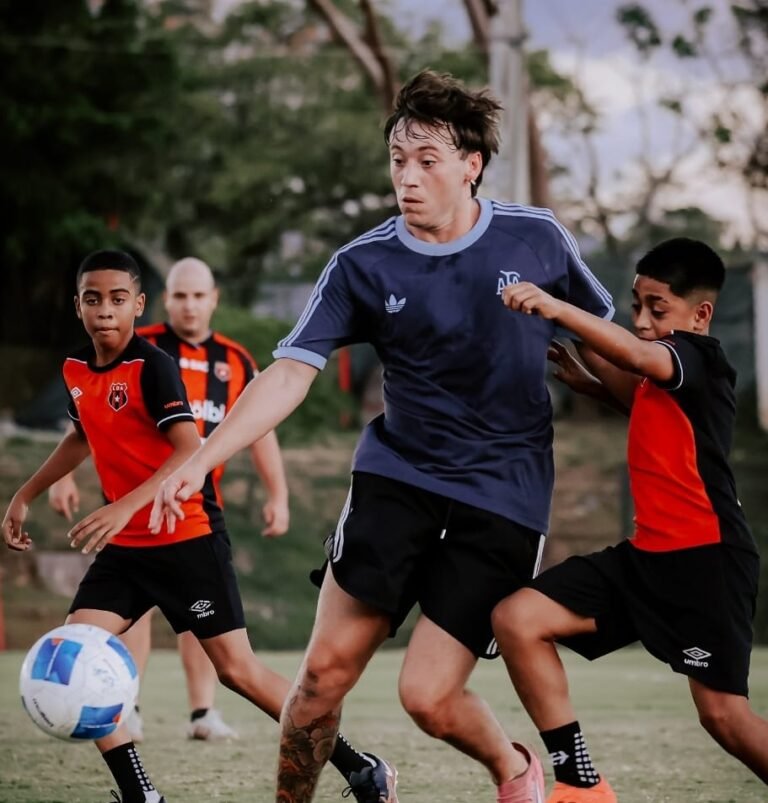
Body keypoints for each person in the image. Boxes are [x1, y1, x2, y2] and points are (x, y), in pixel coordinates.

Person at [150, 70, 614, 803]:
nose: (408, 175)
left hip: (504, 494)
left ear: (472, 165)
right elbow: (289, 375)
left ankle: (512, 767)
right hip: (399, 480)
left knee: (426, 697)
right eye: (398, 158)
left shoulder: (538, 237)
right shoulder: (362, 263)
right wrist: (200, 459)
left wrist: (644, 391)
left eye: (428, 159)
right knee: (319, 681)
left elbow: (611, 339)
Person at [2, 250, 397, 803]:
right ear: (78, 306)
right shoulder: (74, 370)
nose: (105, 311)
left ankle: (360, 766)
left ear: (138, 305)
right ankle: (141, 793)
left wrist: (122, 507)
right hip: (126, 551)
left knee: (238, 672)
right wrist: (27, 493)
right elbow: (81, 435)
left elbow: (188, 450)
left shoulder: (153, 364)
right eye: (93, 299)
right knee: (76, 652)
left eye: (118, 300)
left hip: (187, 539)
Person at [494, 237, 768, 802]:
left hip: (706, 565)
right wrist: (585, 375)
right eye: (636, 305)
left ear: (701, 314)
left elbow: (635, 356)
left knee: (725, 720)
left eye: (657, 309)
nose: (642, 320)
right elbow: (640, 392)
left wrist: (557, 306)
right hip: (646, 560)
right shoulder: (666, 374)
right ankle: (580, 785)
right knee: (518, 619)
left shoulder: (700, 358)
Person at [48, 256, 290, 743]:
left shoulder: (237, 361)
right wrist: (59, 478)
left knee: (208, 637)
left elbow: (259, 428)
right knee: (120, 618)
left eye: (199, 296)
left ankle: (203, 713)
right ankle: (127, 705)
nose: (190, 305)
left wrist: (277, 492)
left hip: (191, 512)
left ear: (214, 299)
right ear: (162, 300)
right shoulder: (139, 344)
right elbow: (84, 416)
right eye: (180, 295)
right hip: (128, 508)